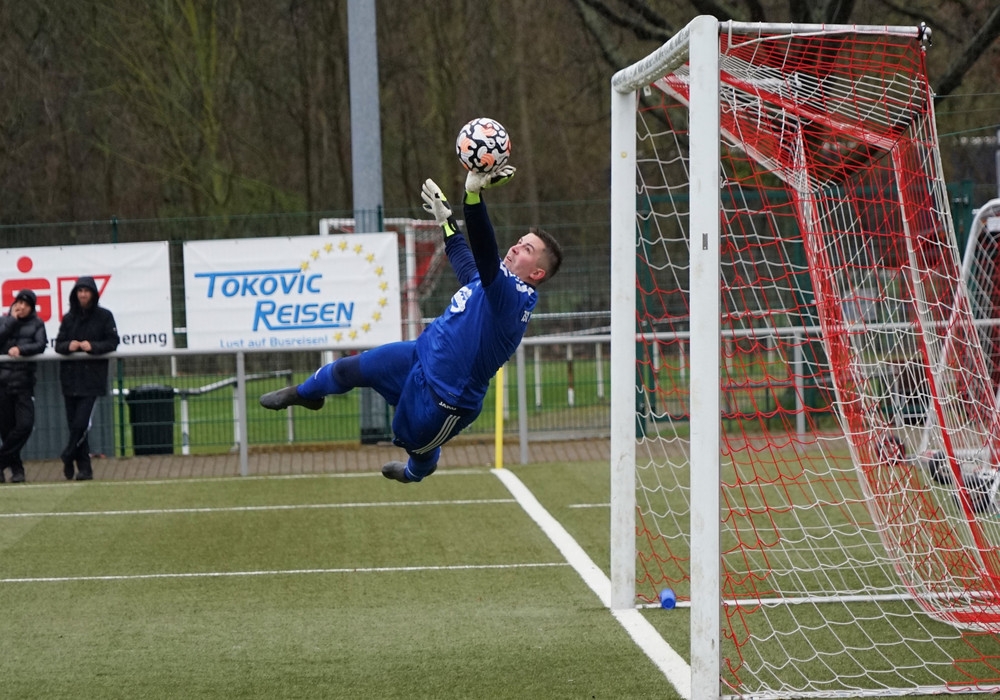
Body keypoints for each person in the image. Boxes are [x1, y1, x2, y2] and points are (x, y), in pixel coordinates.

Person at [260, 166, 563, 483]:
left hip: (446, 399)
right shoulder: (492, 284)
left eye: (527, 249)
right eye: (519, 241)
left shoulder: (514, 297)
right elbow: (465, 260)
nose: (514, 247)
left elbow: (486, 252)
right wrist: (446, 221)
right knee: (350, 369)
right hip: (418, 356)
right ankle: (306, 394)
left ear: (537, 273)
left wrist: (473, 197)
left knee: (412, 443)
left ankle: (416, 470)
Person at [54, 276, 120, 481]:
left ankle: (68, 454)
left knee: (81, 424)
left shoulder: (104, 316)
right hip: (70, 379)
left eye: (86, 291)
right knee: (74, 425)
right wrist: (69, 346)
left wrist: (93, 347)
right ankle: (84, 469)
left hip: (92, 380)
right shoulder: (69, 318)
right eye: (80, 291)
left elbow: (112, 342)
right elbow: (59, 345)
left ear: (93, 294)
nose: (83, 295)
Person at [0, 290, 47, 483]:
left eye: (26, 304)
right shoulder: (4, 321)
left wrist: (21, 350)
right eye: (19, 302)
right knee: (6, 430)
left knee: (25, 426)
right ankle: (16, 470)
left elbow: (40, 344)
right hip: (3, 384)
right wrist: (11, 321)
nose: (22, 307)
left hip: (24, 384)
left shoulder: (37, 324)